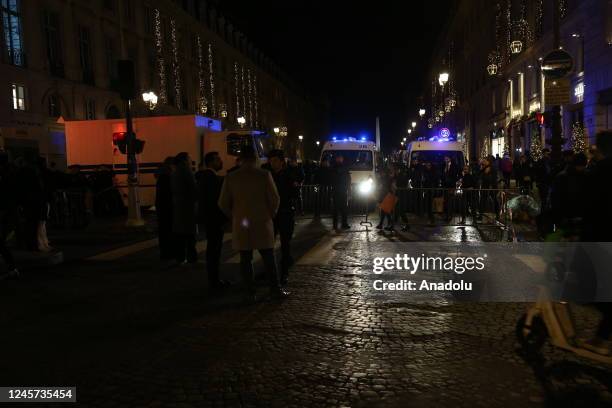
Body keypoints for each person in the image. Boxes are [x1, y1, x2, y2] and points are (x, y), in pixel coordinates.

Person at [218, 146, 288, 300]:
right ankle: (275, 289)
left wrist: (234, 215)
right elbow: (275, 199)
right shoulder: (264, 175)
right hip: (262, 221)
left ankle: (249, 292)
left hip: (242, 223)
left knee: (245, 259)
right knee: (269, 257)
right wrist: (270, 214)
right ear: (255, 159)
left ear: (241, 159)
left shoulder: (231, 177)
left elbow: (223, 203)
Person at [581, 132, 612, 354]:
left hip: (602, 235)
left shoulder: (600, 172)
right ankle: (601, 338)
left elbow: (588, 203)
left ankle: (601, 340)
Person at [197, 151, 229, 290]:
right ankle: (214, 281)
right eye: (218, 160)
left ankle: (214, 279)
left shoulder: (203, 177)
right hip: (215, 219)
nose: (221, 162)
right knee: (214, 251)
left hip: (209, 218)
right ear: (211, 162)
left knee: (213, 250)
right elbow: (218, 201)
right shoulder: (213, 179)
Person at [268, 149, 299, 285]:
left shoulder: (289, 175)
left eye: (275, 161)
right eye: (271, 161)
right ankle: (271, 271)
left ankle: (284, 272)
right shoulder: (267, 175)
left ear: (281, 162)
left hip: (285, 212)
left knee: (285, 244)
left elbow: (294, 193)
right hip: (271, 214)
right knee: (268, 244)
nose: (272, 163)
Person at [171, 152, 198, 264]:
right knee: (190, 235)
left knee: (180, 235)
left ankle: (180, 257)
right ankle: (192, 257)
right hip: (188, 206)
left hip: (178, 205)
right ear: (185, 160)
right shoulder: (186, 171)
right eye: (189, 158)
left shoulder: (175, 172)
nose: (191, 160)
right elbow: (193, 188)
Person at [0, 151, 18, 279]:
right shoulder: (10, 173)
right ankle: (12, 268)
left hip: (4, 212)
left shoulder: (4, 175)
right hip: (7, 211)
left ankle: (12, 268)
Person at [155, 157, 175, 260]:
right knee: (168, 232)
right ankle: (168, 253)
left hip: (162, 208)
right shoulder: (167, 178)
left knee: (164, 233)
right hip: (167, 209)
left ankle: (165, 253)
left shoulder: (162, 177)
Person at [331, 155, 351, 230]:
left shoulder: (344, 167)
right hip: (337, 191)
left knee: (344, 209)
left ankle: (344, 224)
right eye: (339, 158)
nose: (340, 159)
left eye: (341, 158)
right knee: (336, 209)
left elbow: (348, 179)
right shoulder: (335, 167)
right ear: (337, 159)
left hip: (343, 190)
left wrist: (348, 188)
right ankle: (336, 225)